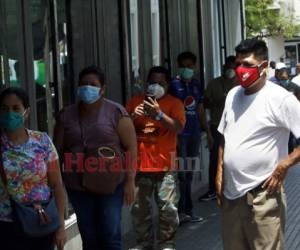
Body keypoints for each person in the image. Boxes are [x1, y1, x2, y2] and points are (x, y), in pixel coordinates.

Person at [216, 38, 300, 250]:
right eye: (238, 64)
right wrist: (219, 172)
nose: (241, 70)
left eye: (248, 65)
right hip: (231, 196)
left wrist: (284, 165)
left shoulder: (281, 99)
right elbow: (224, 137)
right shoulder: (233, 95)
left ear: (263, 66)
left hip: (264, 196)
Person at [53, 65, 137, 250]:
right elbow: (56, 150)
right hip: (78, 186)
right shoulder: (66, 116)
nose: (87, 88)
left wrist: (130, 180)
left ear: (102, 89)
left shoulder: (117, 113)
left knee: (111, 234)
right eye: (83, 84)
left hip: (111, 184)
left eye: (93, 84)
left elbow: (130, 148)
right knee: (89, 236)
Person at [127, 66, 185, 250]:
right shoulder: (135, 101)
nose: (156, 86)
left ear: (167, 84)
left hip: (165, 168)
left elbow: (178, 127)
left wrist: (159, 114)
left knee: (168, 210)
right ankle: (144, 244)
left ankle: (166, 244)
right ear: (146, 83)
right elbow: (120, 129)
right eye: (153, 82)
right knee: (139, 210)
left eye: (160, 83)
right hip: (139, 167)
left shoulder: (174, 103)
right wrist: (131, 116)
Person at [0, 87, 66, 250]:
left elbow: (57, 185)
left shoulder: (42, 141)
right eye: (5, 109)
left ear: (27, 112)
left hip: (41, 222)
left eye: (16, 108)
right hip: (7, 226)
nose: (10, 113)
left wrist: (61, 227)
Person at [169, 51, 212, 223]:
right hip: (179, 136)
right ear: (178, 67)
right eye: (183, 66)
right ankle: (182, 211)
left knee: (189, 173)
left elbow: (200, 109)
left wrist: (207, 132)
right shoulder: (173, 85)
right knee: (181, 174)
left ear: (194, 66)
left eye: (190, 66)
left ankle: (187, 210)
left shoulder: (196, 84)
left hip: (194, 135)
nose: (187, 69)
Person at [198, 56, 237, 202]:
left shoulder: (241, 83)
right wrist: (216, 101)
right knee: (215, 158)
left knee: (235, 157)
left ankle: (233, 188)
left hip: (236, 127)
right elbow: (205, 104)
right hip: (217, 126)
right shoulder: (214, 84)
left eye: (234, 67)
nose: (230, 70)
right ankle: (213, 190)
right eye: (229, 66)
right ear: (223, 66)